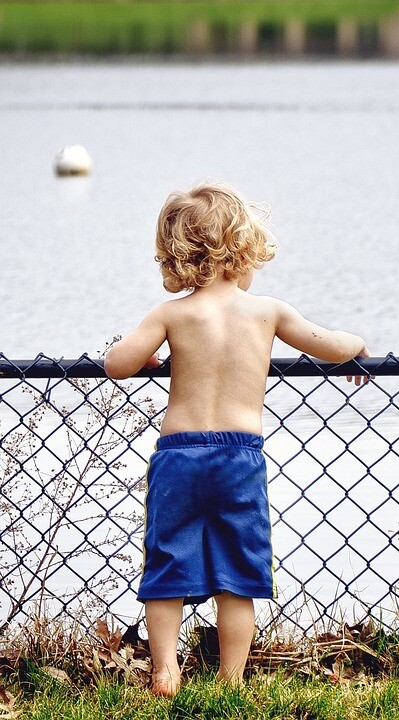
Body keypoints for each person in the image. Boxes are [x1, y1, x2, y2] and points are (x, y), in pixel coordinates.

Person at [104, 182, 369, 696]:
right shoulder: (267, 311)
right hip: (238, 458)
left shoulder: (172, 314)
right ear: (243, 249)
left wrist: (141, 353)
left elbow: (118, 364)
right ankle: (230, 678)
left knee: (167, 564)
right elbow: (332, 347)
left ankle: (164, 670)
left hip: (179, 456)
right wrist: (359, 344)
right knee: (237, 573)